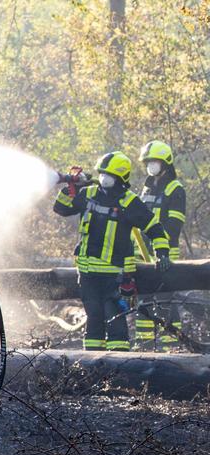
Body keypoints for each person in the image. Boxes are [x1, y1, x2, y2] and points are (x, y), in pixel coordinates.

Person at [53, 152, 170, 351]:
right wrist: (71, 188)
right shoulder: (88, 194)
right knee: (94, 320)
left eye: (109, 175)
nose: (104, 178)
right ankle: (93, 369)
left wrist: (162, 252)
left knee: (116, 323)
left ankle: (120, 370)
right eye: (102, 174)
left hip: (115, 276)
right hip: (88, 274)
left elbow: (153, 227)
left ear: (121, 177)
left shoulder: (129, 202)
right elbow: (61, 209)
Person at [132, 141, 185, 350]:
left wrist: (162, 251)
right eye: (147, 162)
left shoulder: (175, 189)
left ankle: (172, 346)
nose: (150, 166)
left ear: (165, 163)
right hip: (142, 254)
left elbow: (174, 225)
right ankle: (143, 346)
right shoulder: (147, 188)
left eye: (153, 162)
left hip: (165, 255)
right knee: (143, 301)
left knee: (165, 301)